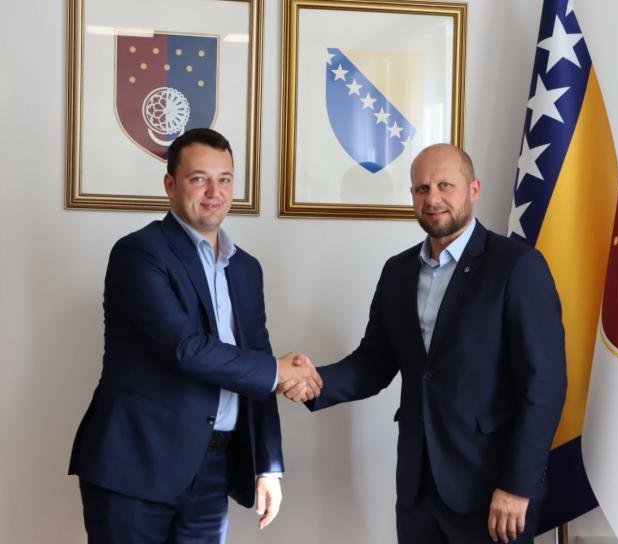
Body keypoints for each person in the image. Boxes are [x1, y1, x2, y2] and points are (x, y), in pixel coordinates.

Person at [283, 144, 567, 543]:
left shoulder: (517, 267)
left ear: (474, 189)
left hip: (492, 491)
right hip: (418, 490)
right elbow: (374, 362)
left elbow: (545, 386)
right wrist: (311, 381)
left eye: (445, 185)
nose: (432, 198)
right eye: (421, 188)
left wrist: (517, 485)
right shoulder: (397, 272)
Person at [69, 128, 322, 543]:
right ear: (170, 185)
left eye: (224, 179)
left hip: (212, 470)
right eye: (199, 178)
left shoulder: (246, 268)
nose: (214, 192)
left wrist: (268, 465)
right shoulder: (139, 254)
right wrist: (279, 371)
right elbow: (185, 349)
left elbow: (257, 362)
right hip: (137, 466)